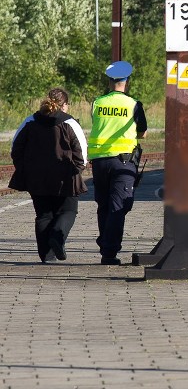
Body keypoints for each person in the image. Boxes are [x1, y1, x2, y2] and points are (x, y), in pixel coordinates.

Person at [9, 88, 87, 263]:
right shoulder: (70, 123)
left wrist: (24, 168)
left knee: (43, 214)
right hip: (65, 176)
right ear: (64, 105)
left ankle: (46, 255)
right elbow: (81, 151)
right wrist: (78, 170)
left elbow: (15, 148)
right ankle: (57, 238)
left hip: (35, 177)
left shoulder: (30, 121)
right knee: (68, 210)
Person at [88, 61, 147, 265]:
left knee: (103, 205)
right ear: (126, 82)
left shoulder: (97, 103)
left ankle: (105, 243)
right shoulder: (133, 104)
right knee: (119, 206)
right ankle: (109, 252)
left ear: (110, 81)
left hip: (99, 162)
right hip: (123, 163)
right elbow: (142, 132)